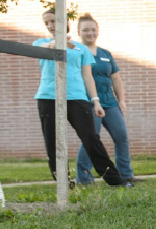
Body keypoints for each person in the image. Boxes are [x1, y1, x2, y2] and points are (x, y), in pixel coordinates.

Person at [33, 9, 133, 188]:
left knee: (91, 138)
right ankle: (63, 182)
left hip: (77, 98)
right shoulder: (42, 43)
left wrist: (95, 101)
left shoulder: (81, 49)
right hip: (48, 97)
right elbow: (36, 50)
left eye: (54, 21)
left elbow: (88, 77)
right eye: (47, 23)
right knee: (52, 142)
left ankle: (115, 180)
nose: (50, 26)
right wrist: (55, 44)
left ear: (64, 22)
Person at [74, 13, 144, 184]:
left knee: (121, 136)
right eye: (85, 30)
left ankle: (125, 174)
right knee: (91, 139)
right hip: (88, 103)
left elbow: (116, 78)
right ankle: (84, 178)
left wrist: (121, 100)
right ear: (79, 32)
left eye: (93, 29)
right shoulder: (76, 51)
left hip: (109, 103)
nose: (90, 33)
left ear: (97, 31)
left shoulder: (105, 54)